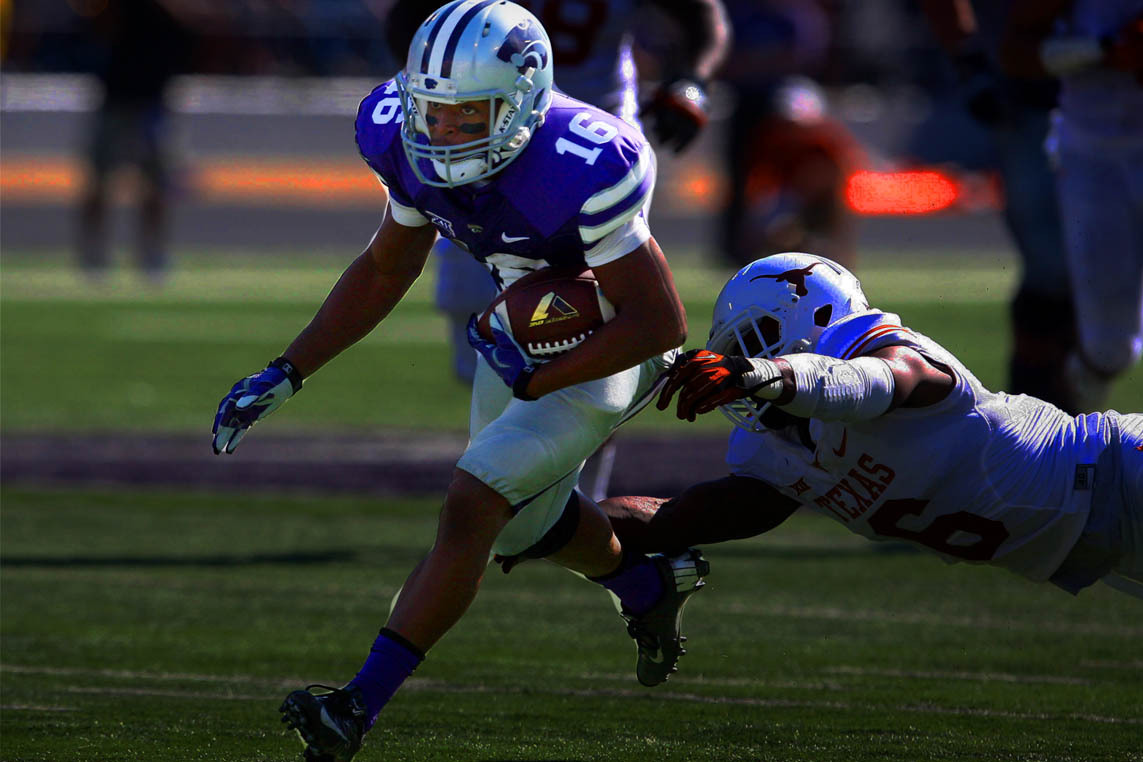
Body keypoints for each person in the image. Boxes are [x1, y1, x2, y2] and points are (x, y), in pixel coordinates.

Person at [210, 3, 707, 759]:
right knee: (529, 524)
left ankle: (354, 706)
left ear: (525, 102)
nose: (441, 133)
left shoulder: (585, 161)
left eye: (465, 115)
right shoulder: (397, 136)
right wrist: (288, 369)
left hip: (607, 340)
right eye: (430, 113)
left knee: (473, 506)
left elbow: (659, 324)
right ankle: (645, 585)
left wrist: (539, 378)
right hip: (518, 324)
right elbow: (385, 266)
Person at [601, 252, 1142, 601]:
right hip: (1096, 548)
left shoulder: (889, 355)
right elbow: (677, 520)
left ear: (813, 320)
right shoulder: (777, 453)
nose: (738, 355)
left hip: (1120, 471)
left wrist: (762, 372)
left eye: (757, 334)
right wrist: (544, 519)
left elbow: (877, 383)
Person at [384, 0, 730, 502]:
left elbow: (701, 18)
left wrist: (692, 79)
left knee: (592, 324)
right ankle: (517, 487)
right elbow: (407, 21)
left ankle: (566, 498)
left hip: (584, 146)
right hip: (477, 128)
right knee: (482, 342)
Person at [920, 0, 1078, 412]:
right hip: (1034, 100)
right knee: (1051, 275)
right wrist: (970, 61)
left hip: (1119, 110)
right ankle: (1040, 412)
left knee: (1104, 300)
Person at [999, 0, 1143, 414]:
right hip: (1097, 156)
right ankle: (1077, 452)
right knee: (1110, 348)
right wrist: (1103, 49)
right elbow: (1016, 52)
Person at [76, 0, 192, 285]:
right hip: (116, 96)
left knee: (156, 182)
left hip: (152, 98)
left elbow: (191, 24)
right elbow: (93, 21)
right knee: (99, 179)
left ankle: (152, 254)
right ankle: (93, 255)